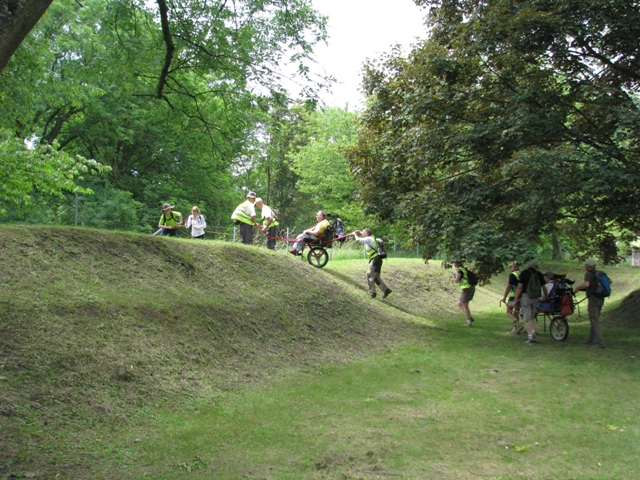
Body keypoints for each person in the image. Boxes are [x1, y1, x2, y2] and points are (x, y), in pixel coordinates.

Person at [350, 228, 392, 299]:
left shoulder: (368, 239)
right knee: (375, 277)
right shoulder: (371, 237)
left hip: (375, 259)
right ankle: (386, 290)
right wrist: (359, 232)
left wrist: (354, 234)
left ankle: (372, 292)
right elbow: (365, 234)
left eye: (363, 233)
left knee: (369, 275)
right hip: (377, 259)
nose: (362, 234)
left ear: (366, 233)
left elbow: (358, 240)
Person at [573, 259, 605, 348]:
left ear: (589, 266)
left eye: (586, 265)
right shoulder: (599, 273)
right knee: (595, 319)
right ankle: (591, 339)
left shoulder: (588, 274)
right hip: (601, 298)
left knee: (594, 320)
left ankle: (600, 342)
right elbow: (610, 281)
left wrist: (578, 288)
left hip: (593, 299)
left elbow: (587, 284)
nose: (585, 266)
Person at [513, 262, 548, 344]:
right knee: (532, 316)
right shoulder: (538, 273)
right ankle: (532, 333)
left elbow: (519, 287)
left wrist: (515, 299)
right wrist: (545, 296)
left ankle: (530, 337)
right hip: (536, 297)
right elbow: (544, 287)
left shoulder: (524, 273)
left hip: (526, 296)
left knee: (527, 317)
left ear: (527, 265)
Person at [500, 262, 522, 334]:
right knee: (516, 313)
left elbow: (509, 286)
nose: (510, 268)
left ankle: (518, 325)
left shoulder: (513, 275)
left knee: (508, 311)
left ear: (515, 267)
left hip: (513, 296)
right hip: (521, 295)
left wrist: (504, 297)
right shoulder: (521, 274)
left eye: (511, 267)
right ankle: (516, 330)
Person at [452, 261, 475, 326]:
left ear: (458, 263)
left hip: (467, 288)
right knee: (459, 303)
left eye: (455, 263)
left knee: (465, 305)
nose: (454, 264)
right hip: (467, 288)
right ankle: (469, 317)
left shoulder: (459, 270)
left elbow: (456, 280)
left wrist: (453, 278)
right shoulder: (463, 269)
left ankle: (469, 322)